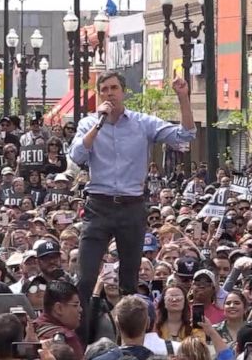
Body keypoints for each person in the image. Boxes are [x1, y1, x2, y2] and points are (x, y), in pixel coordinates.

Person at [69, 71, 196, 343]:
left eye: (114, 88)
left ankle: (128, 342)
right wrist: (99, 124)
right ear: (99, 94)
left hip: (131, 206)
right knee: (85, 277)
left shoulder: (142, 123)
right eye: (104, 89)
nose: (109, 94)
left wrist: (183, 97)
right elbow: (78, 155)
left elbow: (186, 135)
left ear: (123, 92)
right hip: (98, 205)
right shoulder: (89, 123)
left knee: (130, 282)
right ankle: (80, 342)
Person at [34, 280, 84, 360]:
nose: (80, 309)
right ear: (58, 308)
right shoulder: (68, 338)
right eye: (75, 305)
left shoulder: (32, 329)